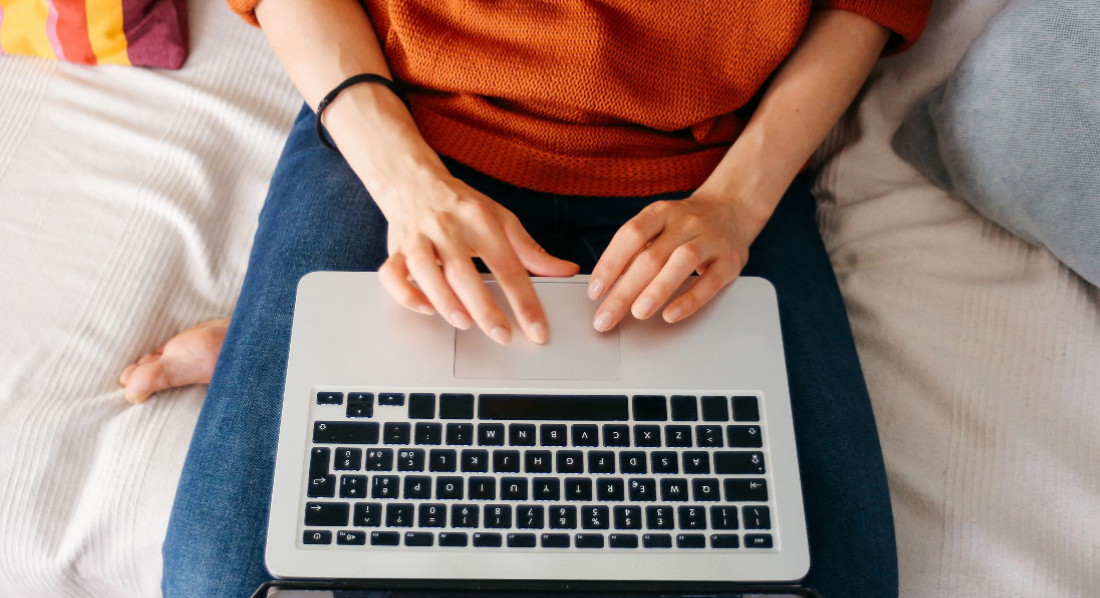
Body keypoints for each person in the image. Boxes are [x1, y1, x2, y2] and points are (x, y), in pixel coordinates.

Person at [124, 1, 930, 596]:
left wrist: (738, 203)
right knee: (220, 582)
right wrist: (409, 188)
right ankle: (303, 346)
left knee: (830, 581)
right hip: (408, 125)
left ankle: (317, 347)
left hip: (708, 167)